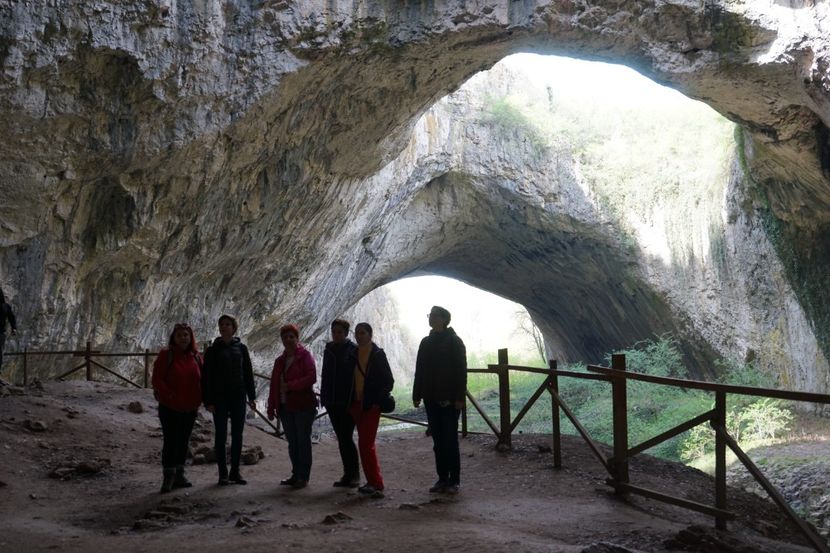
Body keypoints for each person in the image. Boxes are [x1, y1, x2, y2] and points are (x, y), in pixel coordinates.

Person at [413, 306, 467, 495]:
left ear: (444, 319)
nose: (431, 318)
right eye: (430, 315)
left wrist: (460, 398)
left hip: (450, 400)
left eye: (434, 316)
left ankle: (454, 480)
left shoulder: (454, 341)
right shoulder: (426, 342)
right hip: (431, 398)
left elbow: (461, 372)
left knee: (450, 440)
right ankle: (442, 478)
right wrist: (416, 394)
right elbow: (420, 369)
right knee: (438, 440)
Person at [202, 315, 256, 486]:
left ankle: (235, 472)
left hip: (238, 396)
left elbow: (247, 373)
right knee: (221, 435)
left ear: (234, 328)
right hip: (219, 398)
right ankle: (222, 474)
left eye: (227, 324)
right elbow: (206, 377)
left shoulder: (241, 348)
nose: (224, 327)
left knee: (238, 435)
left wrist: (252, 396)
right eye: (221, 324)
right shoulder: (212, 350)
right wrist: (208, 400)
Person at [152, 323, 202, 493]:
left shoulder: (196, 356)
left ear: (191, 338)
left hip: (190, 407)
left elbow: (202, 378)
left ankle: (179, 475)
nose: (183, 338)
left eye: (186, 335)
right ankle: (168, 477)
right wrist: (169, 394)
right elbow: (157, 378)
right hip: (170, 407)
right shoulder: (167, 355)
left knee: (183, 441)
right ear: (174, 338)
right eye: (179, 335)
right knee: (170, 441)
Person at [267, 324, 317, 489]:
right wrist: (271, 406)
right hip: (285, 406)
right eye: (285, 337)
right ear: (282, 340)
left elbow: (311, 377)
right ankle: (296, 474)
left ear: (297, 339)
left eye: (291, 337)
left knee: (303, 442)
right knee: (293, 442)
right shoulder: (279, 361)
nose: (288, 340)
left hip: (302, 406)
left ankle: (303, 477)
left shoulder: (305, 356)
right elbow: (274, 384)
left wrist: (291, 386)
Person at [347, 322, 394, 498]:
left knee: (366, 444)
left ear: (370, 335)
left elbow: (388, 381)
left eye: (363, 333)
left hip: (370, 405)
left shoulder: (377, 355)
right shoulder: (353, 353)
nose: (359, 336)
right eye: (357, 333)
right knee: (364, 444)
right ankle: (371, 481)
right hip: (357, 404)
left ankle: (376, 482)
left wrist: (377, 401)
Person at [320, 319, 360, 487]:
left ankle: (354, 475)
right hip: (333, 401)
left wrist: (353, 399)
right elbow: (325, 374)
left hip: (347, 401)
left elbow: (356, 377)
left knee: (346, 437)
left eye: (340, 332)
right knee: (342, 438)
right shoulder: (329, 349)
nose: (336, 335)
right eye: (334, 331)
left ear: (346, 333)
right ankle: (348, 474)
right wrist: (324, 397)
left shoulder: (353, 350)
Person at [0, 288, 18, 383]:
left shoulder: (5, 307)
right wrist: (14, 328)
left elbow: (11, 317)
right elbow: (12, 318)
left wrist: (14, 328)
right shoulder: (6, 306)